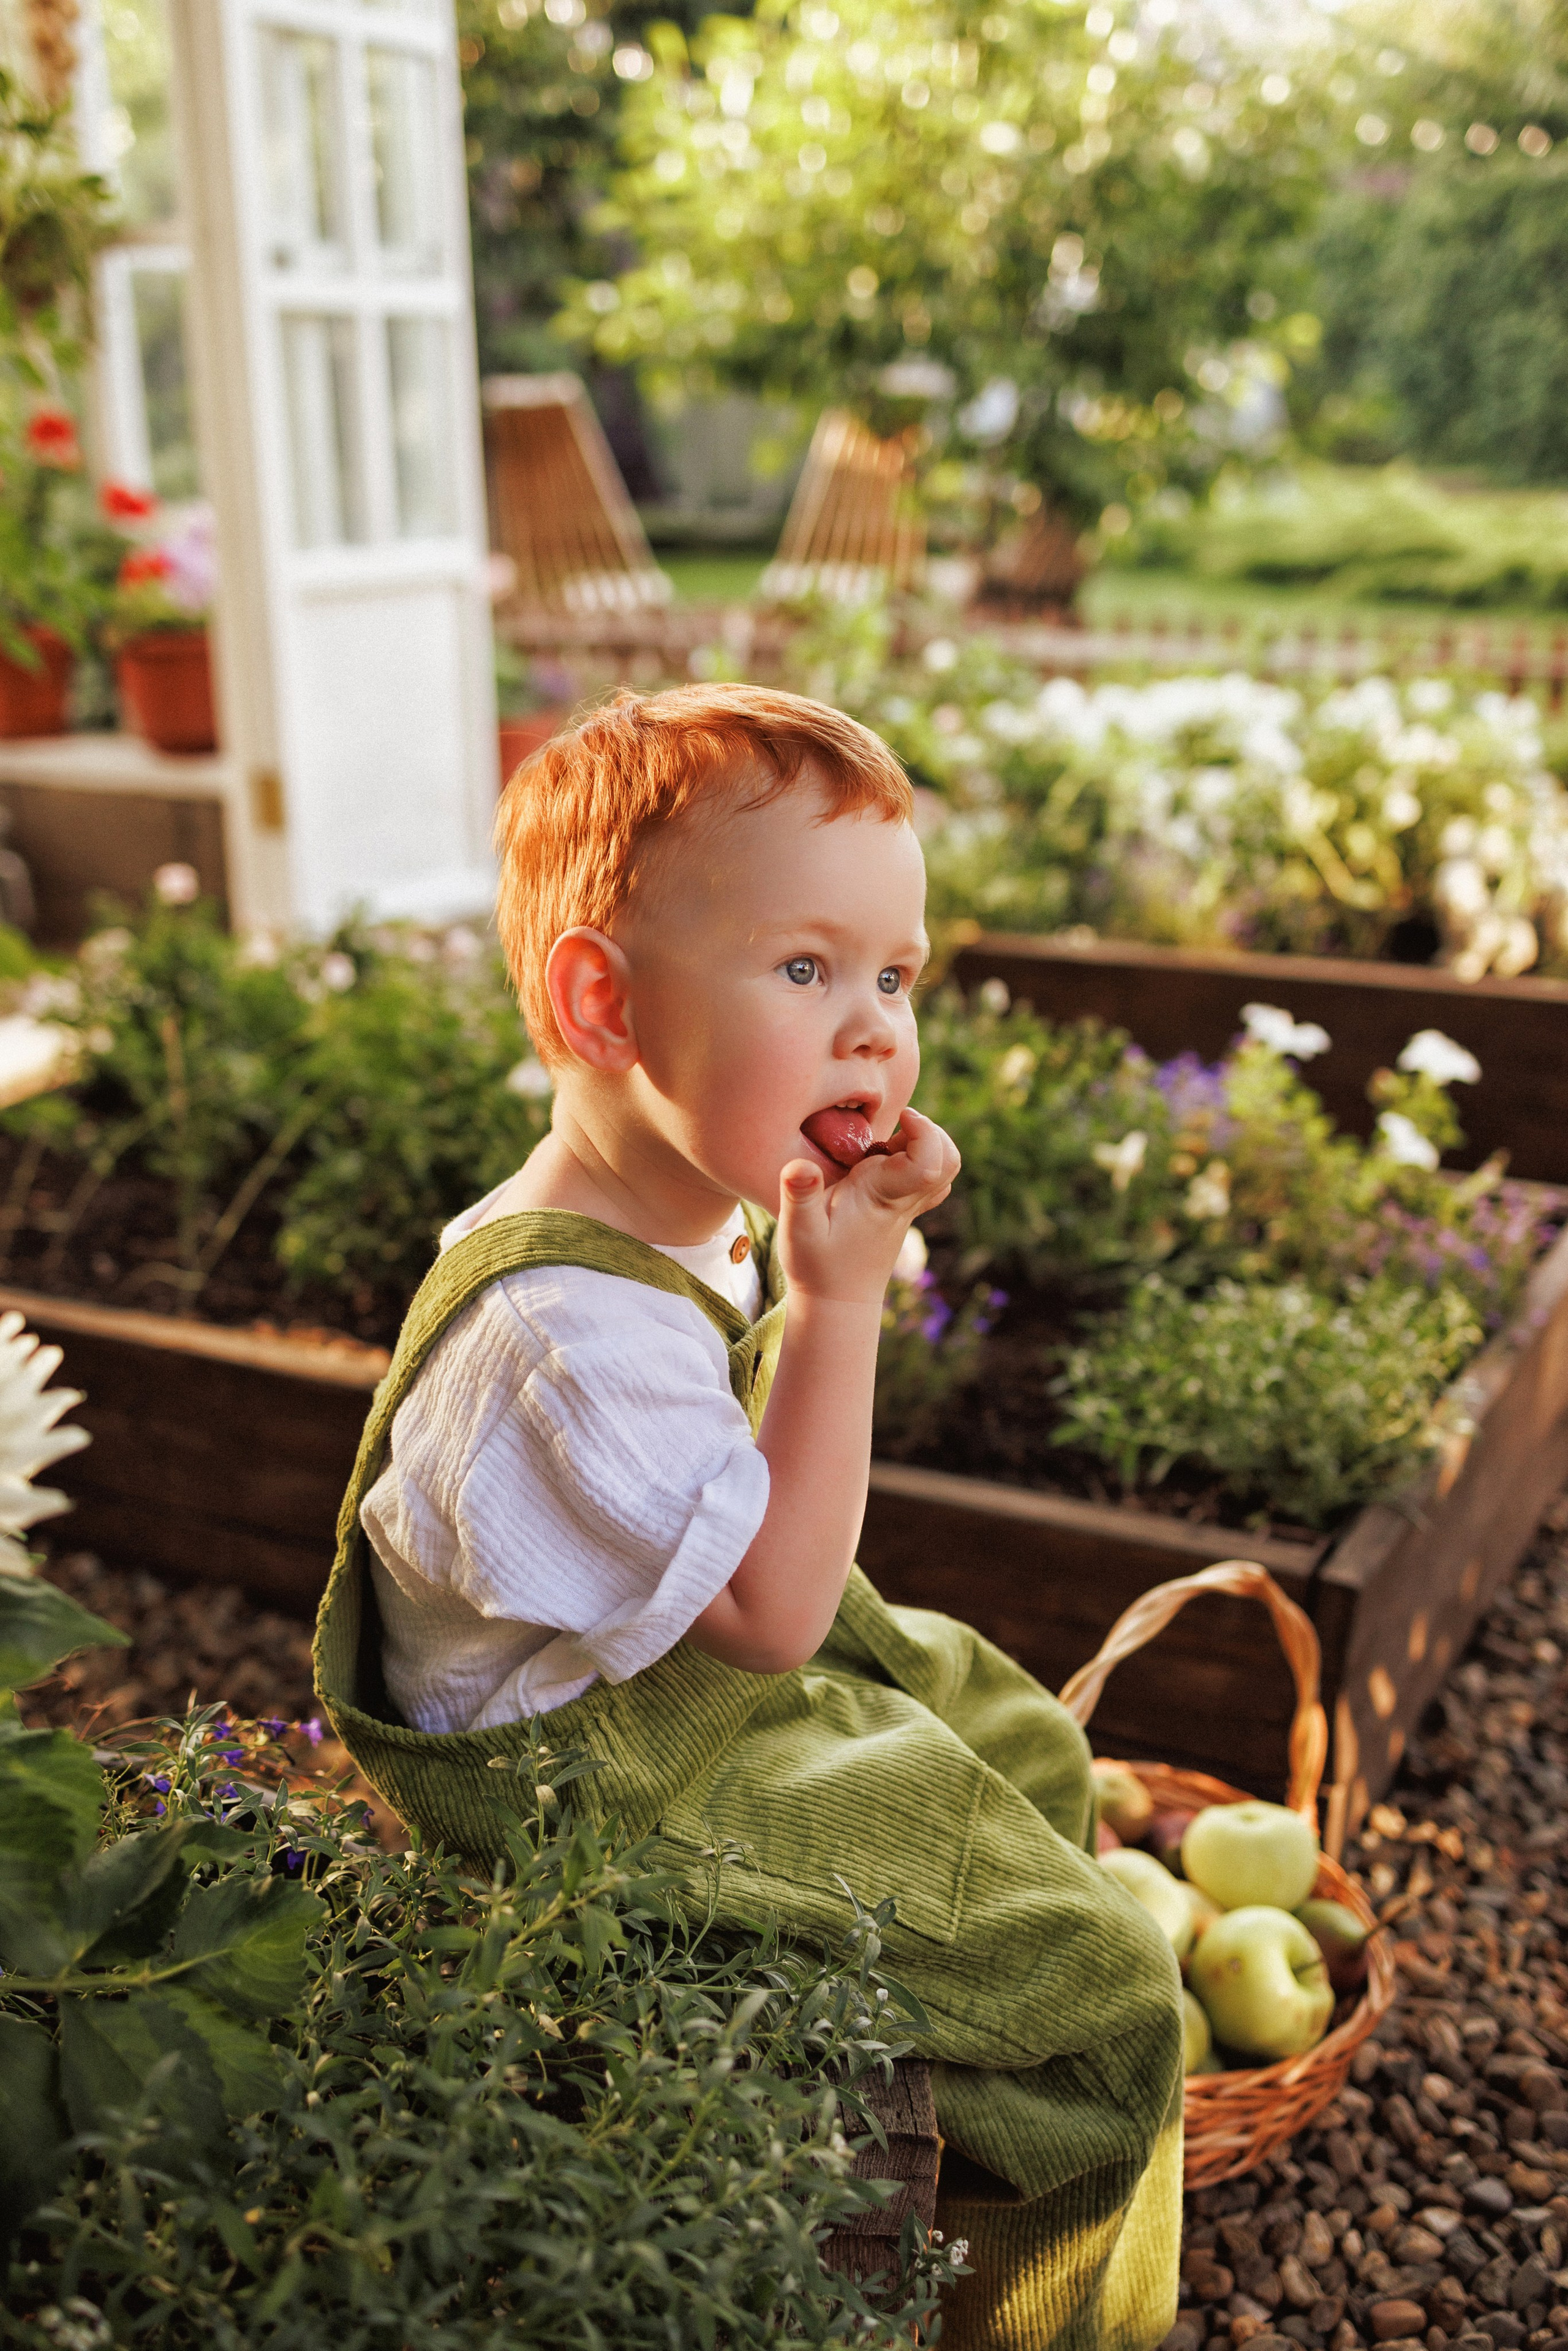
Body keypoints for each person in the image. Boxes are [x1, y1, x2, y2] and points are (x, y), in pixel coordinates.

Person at [315, 683, 1183, 2350]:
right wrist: (841, 1303)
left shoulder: (660, 1211)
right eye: (807, 968)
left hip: (656, 1678)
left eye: (894, 976)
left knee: (1023, 1735)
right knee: (1109, 1996)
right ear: (606, 1005)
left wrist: (813, 1269)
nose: (874, 1029)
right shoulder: (566, 1344)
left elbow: (755, 1529)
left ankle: (970, 2013)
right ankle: (1040, 2295)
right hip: (578, 1791)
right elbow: (781, 1612)